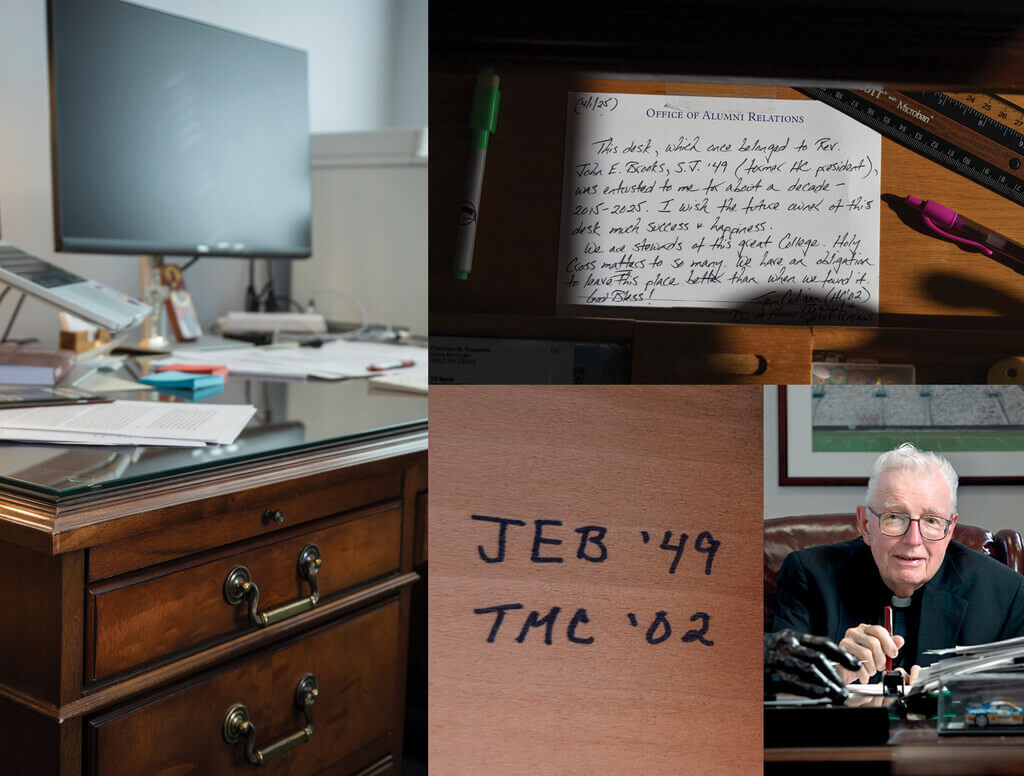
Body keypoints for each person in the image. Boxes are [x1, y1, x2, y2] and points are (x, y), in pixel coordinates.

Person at [774, 443, 1024, 685]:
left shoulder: (1005, 593)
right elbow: (777, 683)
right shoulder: (809, 575)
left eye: (932, 521)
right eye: (894, 517)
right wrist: (832, 673)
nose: (913, 539)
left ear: (949, 530)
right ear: (865, 525)